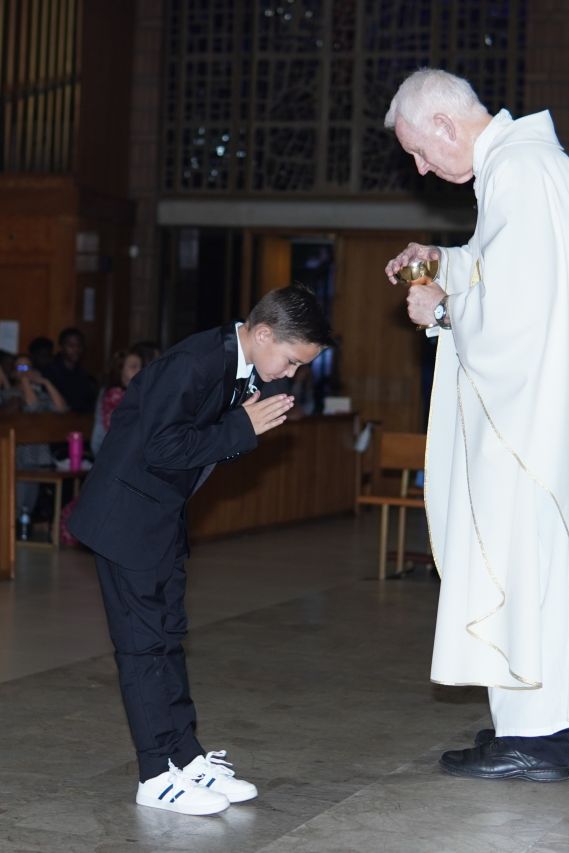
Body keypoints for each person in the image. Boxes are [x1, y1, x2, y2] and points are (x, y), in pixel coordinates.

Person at [69, 283, 333, 815]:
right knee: (143, 649)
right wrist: (240, 427)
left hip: (160, 518)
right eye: (290, 360)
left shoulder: (236, 364)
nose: (289, 373)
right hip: (126, 520)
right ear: (263, 334)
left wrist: (237, 426)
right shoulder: (196, 363)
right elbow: (161, 447)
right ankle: (154, 774)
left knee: (168, 638)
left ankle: (184, 757)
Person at [384, 68, 569, 782]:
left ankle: (536, 736)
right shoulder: (521, 166)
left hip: (525, 422)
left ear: (443, 123)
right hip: (534, 413)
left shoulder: (518, 171)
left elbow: (517, 316)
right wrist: (443, 261)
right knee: (535, 569)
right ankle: (537, 720)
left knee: (520, 562)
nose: (420, 167)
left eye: (419, 151)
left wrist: (442, 308)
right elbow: (508, 272)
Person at [91, 348, 143, 456]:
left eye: (141, 367)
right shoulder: (114, 395)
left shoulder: (133, 393)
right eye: (133, 367)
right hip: (112, 453)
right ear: (120, 370)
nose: (139, 371)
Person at [43, 327, 97, 413]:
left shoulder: (83, 373)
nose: (76, 349)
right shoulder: (50, 371)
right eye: (71, 346)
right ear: (61, 347)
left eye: (79, 345)